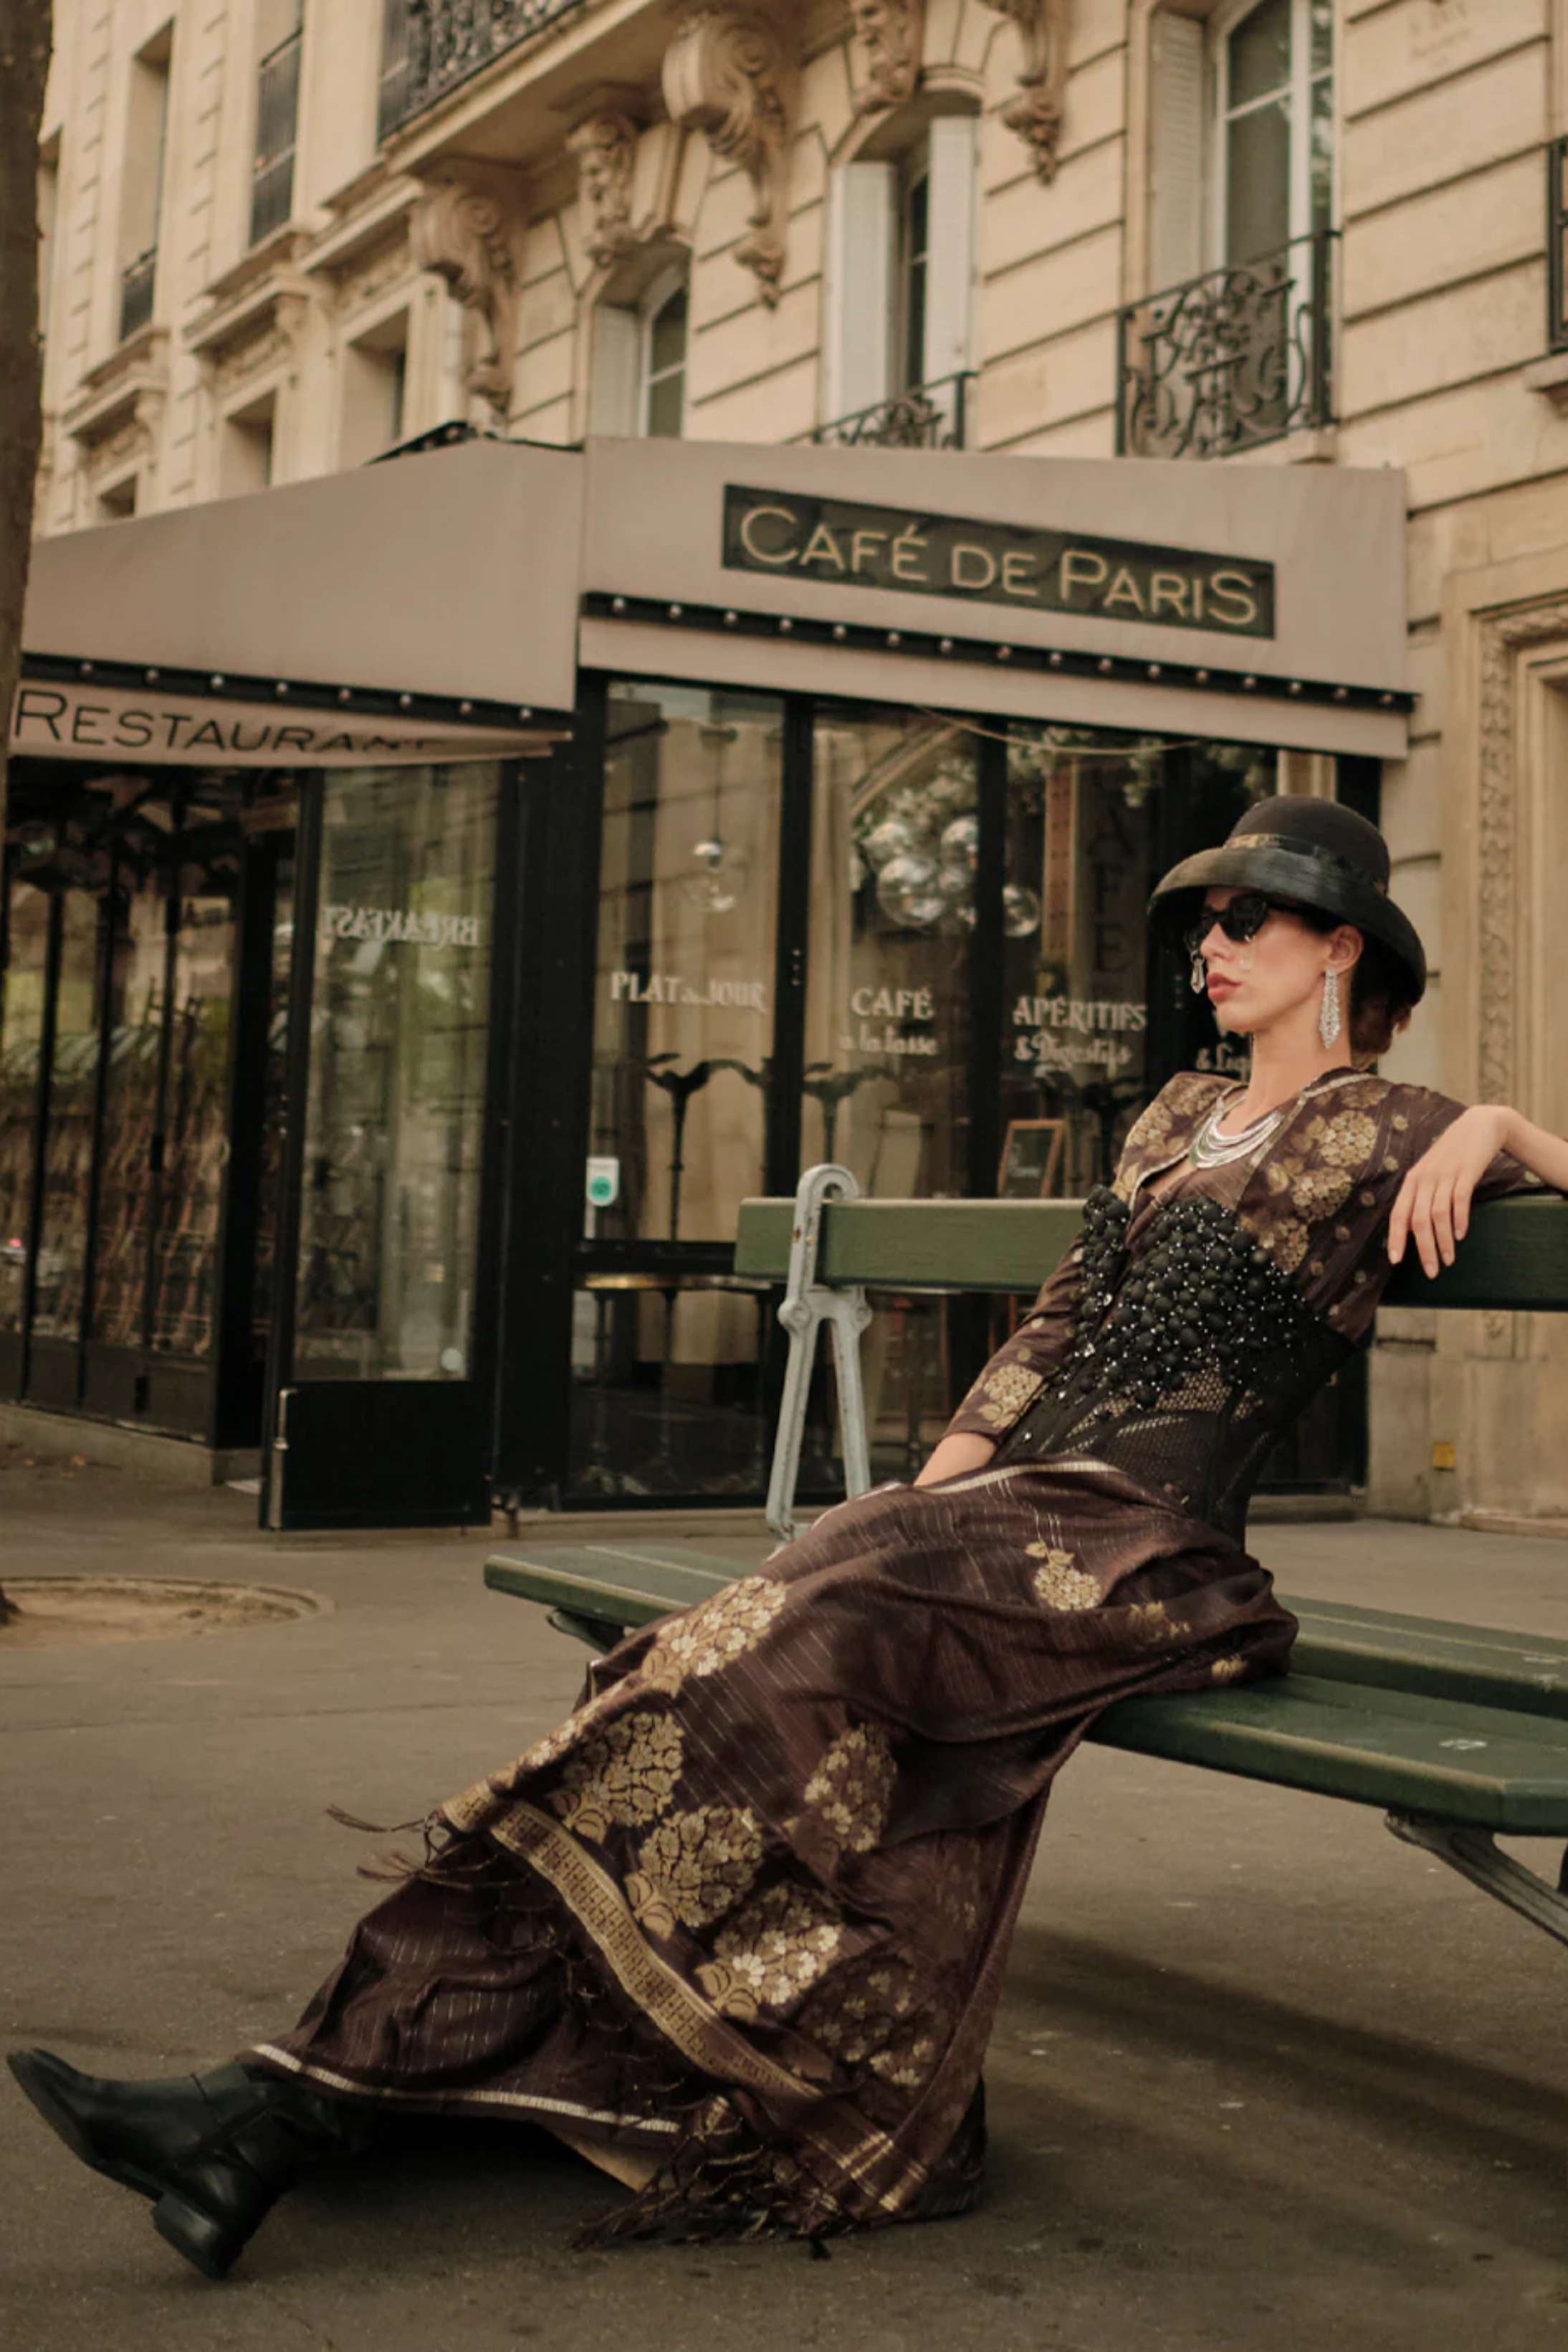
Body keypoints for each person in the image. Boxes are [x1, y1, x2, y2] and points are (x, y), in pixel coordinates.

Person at [11, 797, 1568, 2280]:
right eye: (1200, 921)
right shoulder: (1173, 1111)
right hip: (1001, 1517)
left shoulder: (1388, 1126)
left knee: (763, 1652)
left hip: (1146, 1553)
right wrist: (919, 1488)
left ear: (1340, 945)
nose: (1206, 945)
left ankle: (289, 2107)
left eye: (1244, 917)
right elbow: (1059, 1322)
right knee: (686, 1657)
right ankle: (291, 2100)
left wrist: (1500, 1121)